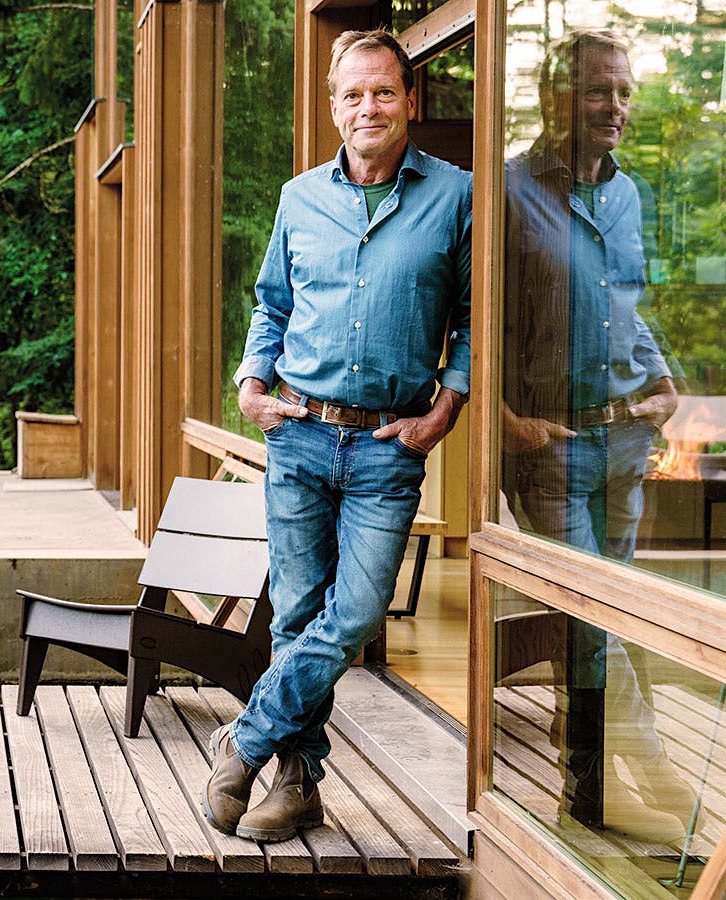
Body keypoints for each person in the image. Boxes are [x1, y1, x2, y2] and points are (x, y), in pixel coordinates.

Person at [202, 29, 472, 843]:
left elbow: (472, 318)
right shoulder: (299, 198)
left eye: (383, 92)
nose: (368, 108)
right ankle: (297, 783)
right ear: (332, 106)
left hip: (389, 446)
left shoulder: (453, 196)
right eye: (352, 94)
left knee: (352, 613)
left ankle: (243, 742)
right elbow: (271, 303)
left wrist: (444, 410)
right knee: (295, 616)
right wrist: (250, 386)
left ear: (409, 100)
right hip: (300, 435)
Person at [501, 29, 693, 844]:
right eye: (598, 91)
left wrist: (660, 376)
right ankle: (648, 783)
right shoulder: (506, 192)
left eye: (624, 93)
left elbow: (628, 305)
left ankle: (585, 788)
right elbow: (468, 318)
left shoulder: (630, 195)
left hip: (623, 447)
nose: (615, 107)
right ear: (556, 98)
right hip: (550, 450)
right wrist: (505, 423)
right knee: (594, 627)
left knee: (606, 624)